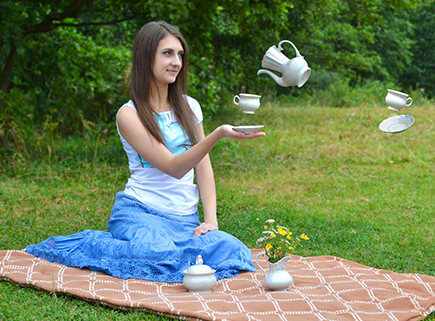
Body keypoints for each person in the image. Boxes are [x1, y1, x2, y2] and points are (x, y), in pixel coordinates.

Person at [26, 21, 265, 283]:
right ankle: (90, 243)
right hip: (140, 213)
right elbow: (174, 167)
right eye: (167, 53)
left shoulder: (190, 106)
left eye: (180, 54)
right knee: (157, 254)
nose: (176, 61)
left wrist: (210, 221)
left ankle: (179, 253)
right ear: (146, 57)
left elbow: (203, 167)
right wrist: (218, 134)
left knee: (235, 251)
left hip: (184, 220)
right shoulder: (129, 115)